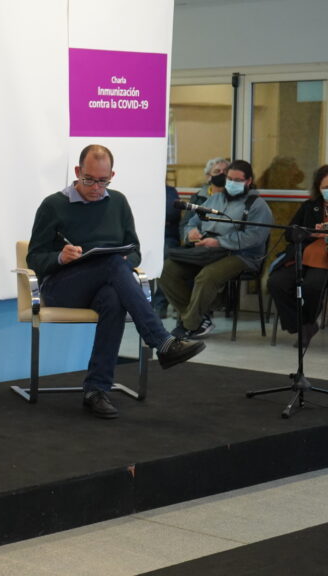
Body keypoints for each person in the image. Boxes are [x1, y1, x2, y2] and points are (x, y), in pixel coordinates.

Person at [27, 144, 206, 419]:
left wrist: (126, 261)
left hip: (103, 284)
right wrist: (60, 257)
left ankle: (96, 390)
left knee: (113, 297)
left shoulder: (118, 202)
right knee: (112, 264)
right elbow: (34, 258)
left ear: (112, 175)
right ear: (77, 172)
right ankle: (161, 341)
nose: (96, 188)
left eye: (103, 181)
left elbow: (134, 250)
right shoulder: (54, 205)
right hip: (62, 287)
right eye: (89, 180)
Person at [160, 160, 273, 339]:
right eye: (230, 179)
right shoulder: (215, 199)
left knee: (207, 276)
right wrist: (191, 233)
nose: (232, 183)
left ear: (249, 181)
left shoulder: (257, 205)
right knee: (167, 269)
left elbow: (254, 237)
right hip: (207, 252)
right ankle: (198, 319)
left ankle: (190, 325)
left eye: (237, 180)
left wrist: (219, 242)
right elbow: (192, 222)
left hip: (242, 256)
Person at [267, 164, 328, 348]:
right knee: (276, 282)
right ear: (318, 188)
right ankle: (303, 326)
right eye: (326, 187)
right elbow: (289, 233)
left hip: (324, 260)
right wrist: (308, 232)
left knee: (312, 286)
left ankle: (306, 324)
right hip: (302, 254)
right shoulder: (310, 206)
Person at [179, 157, 229, 241]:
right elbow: (185, 224)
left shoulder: (233, 198)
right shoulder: (198, 197)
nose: (222, 174)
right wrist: (190, 235)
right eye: (217, 171)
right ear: (208, 176)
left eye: (225, 171)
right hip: (199, 242)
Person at [151, 184, 181, 318]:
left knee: (165, 258)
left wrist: (151, 217)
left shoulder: (169, 191)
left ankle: (160, 304)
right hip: (143, 235)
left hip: (166, 237)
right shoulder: (141, 190)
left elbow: (171, 211)